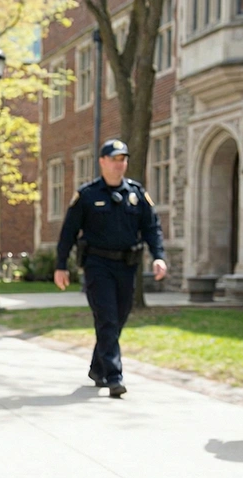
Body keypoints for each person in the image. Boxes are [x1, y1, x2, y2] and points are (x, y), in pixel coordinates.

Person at [54, 139, 167, 398]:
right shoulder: (87, 194)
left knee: (118, 319)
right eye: (114, 159)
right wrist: (61, 265)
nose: (120, 165)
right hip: (97, 265)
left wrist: (158, 256)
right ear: (102, 162)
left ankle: (97, 367)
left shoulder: (137, 194)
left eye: (123, 159)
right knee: (107, 318)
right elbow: (68, 233)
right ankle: (114, 376)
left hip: (127, 266)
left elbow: (152, 228)